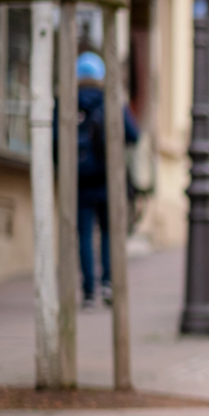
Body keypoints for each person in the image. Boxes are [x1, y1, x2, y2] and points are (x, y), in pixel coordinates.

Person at [55, 51, 140, 308]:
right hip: (108, 178)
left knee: (83, 234)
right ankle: (107, 284)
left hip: (78, 179)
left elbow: (54, 142)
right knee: (109, 232)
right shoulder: (111, 100)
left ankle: (88, 290)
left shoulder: (65, 101)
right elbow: (134, 134)